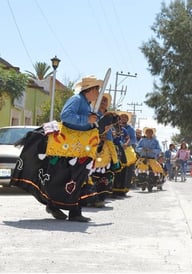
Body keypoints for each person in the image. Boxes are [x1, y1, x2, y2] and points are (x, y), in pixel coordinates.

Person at [10, 75, 118, 222]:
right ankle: (65, 209)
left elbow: (87, 124)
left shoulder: (86, 104)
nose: (98, 93)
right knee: (63, 178)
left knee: (72, 178)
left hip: (78, 147)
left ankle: (67, 209)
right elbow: (66, 115)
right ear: (90, 90)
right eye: (97, 90)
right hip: (67, 146)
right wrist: (86, 119)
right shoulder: (76, 100)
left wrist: (93, 123)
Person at [112, 112, 137, 196]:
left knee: (126, 167)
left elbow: (132, 139)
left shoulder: (129, 129)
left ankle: (123, 188)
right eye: (121, 117)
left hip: (126, 149)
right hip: (113, 147)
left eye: (125, 117)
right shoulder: (112, 127)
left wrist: (126, 144)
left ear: (127, 119)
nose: (122, 118)